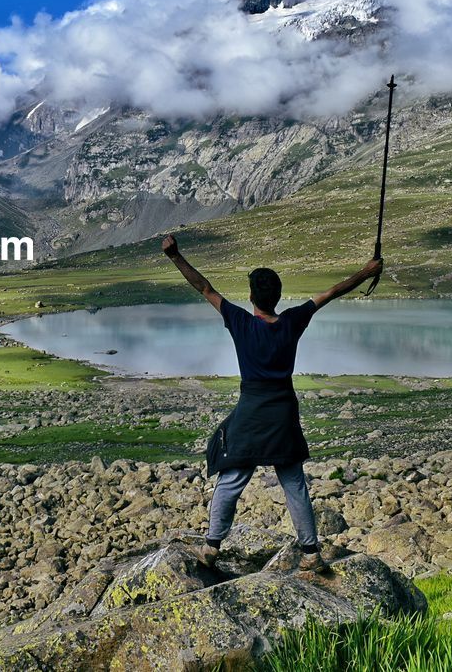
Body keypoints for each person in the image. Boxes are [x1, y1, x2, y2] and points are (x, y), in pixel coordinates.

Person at [160, 232, 383, 575]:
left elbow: (204, 287)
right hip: (283, 412)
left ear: (251, 296)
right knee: (293, 482)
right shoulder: (293, 321)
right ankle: (310, 552)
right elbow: (333, 292)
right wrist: (365, 273)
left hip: (251, 410)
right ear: (278, 297)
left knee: (232, 475)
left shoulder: (239, 321)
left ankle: (211, 546)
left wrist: (175, 257)